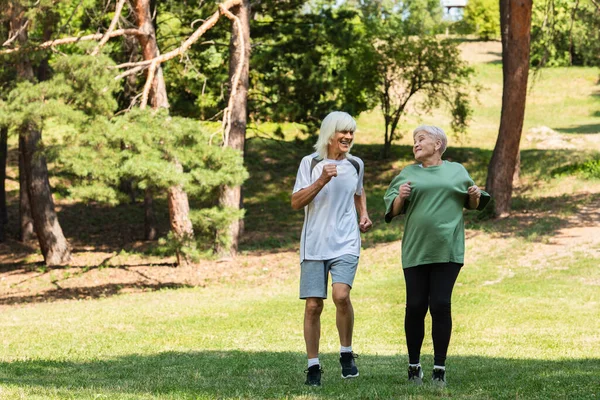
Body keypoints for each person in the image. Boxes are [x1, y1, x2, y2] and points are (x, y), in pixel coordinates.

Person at [383, 125, 490, 388]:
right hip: (416, 249)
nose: (416, 144)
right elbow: (393, 210)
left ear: (438, 144)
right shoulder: (407, 174)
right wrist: (400, 197)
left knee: (441, 304)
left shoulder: (456, 170)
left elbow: (473, 202)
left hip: (448, 249)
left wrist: (475, 196)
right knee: (416, 306)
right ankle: (413, 368)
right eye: (414, 141)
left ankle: (439, 370)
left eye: (422, 139)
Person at [291, 111, 373, 387]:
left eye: (351, 132)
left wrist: (363, 213)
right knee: (314, 305)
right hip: (314, 245)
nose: (348, 137)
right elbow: (295, 202)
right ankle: (313, 365)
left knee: (341, 295)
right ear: (329, 134)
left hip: (346, 242)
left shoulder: (356, 164)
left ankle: (346, 353)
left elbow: (358, 191)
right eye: (343, 132)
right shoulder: (310, 163)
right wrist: (321, 180)